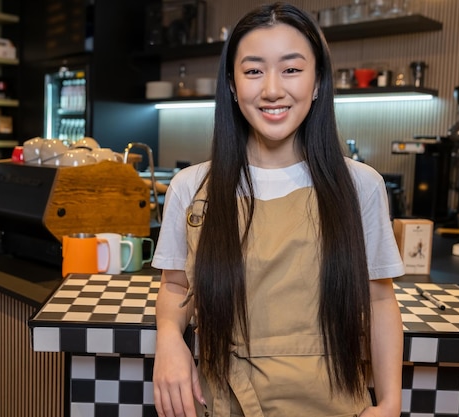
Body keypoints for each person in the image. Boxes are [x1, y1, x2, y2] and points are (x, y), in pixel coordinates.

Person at [151, 3, 405, 416]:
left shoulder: (360, 186)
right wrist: (168, 340)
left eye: (291, 69)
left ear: (318, 81)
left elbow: (379, 301)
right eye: (253, 71)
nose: (271, 89)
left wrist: (391, 402)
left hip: (333, 406)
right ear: (232, 85)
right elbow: (176, 286)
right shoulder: (193, 187)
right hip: (225, 404)